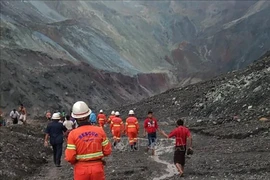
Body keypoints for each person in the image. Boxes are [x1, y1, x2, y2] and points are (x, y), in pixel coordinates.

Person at [65, 101, 112, 180]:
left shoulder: (73, 134)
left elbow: (70, 157)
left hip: (81, 170)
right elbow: (107, 151)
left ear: (75, 118)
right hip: (97, 169)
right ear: (89, 116)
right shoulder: (100, 130)